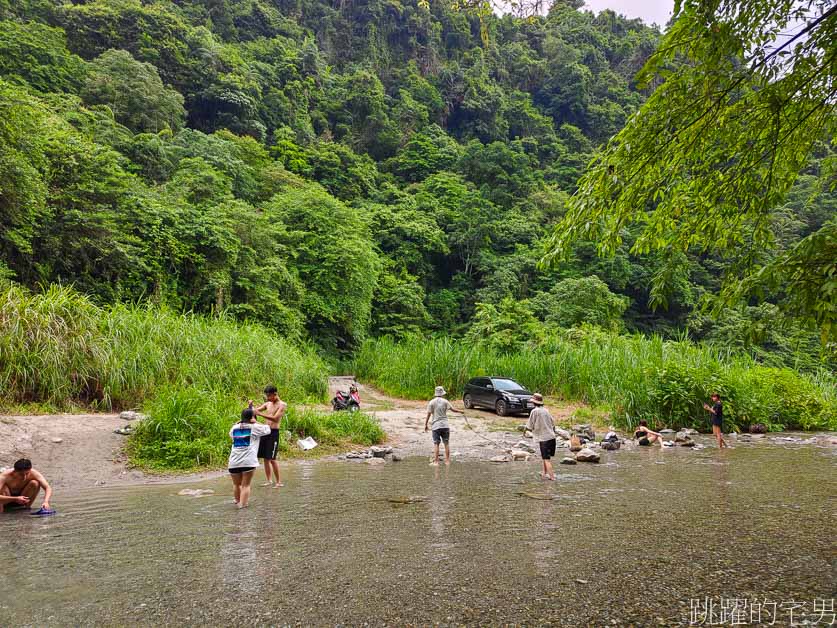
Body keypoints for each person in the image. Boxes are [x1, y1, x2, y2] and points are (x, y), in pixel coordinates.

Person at [229, 407, 271, 509]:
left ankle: (238, 502)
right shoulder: (255, 427)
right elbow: (268, 429)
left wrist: (238, 423)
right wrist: (256, 422)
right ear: (252, 417)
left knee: (236, 484)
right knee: (245, 485)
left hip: (234, 461)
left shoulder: (234, 428)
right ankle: (242, 506)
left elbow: (231, 435)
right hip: (248, 461)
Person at [253, 386, 287, 488]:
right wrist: (251, 407)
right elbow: (254, 411)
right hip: (265, 431)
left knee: (272, 458)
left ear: (275, 394)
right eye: (266, 396)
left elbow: (276, 419)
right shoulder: (267, 404)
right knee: (265, 458)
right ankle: (269, 480)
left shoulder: (282, 405)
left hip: (274, 432)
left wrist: (260, 414)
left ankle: (279, 482)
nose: (267, 398)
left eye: (269, 396)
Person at [424, 386, 462, 466]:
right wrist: (461, 411)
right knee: (446, 443)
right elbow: (453, 410)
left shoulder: (431, 402)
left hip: (435, 426)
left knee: (436, 444)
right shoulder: (445, 401)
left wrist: (426, 424)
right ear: (442, 393)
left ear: (435, 393)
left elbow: (428, 414)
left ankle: (436, 462)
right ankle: (447, 461)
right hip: (445, 425)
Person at [525, 393, 556, 480]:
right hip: (552, 437)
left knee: (546, 459)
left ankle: (552, 478)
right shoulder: (546, 410)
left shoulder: (534, 411)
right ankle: (544, 473)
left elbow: (530, 425)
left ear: (534, 403)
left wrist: (526, 430)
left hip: (544, 439)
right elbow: (553, 422)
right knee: (545, 457)